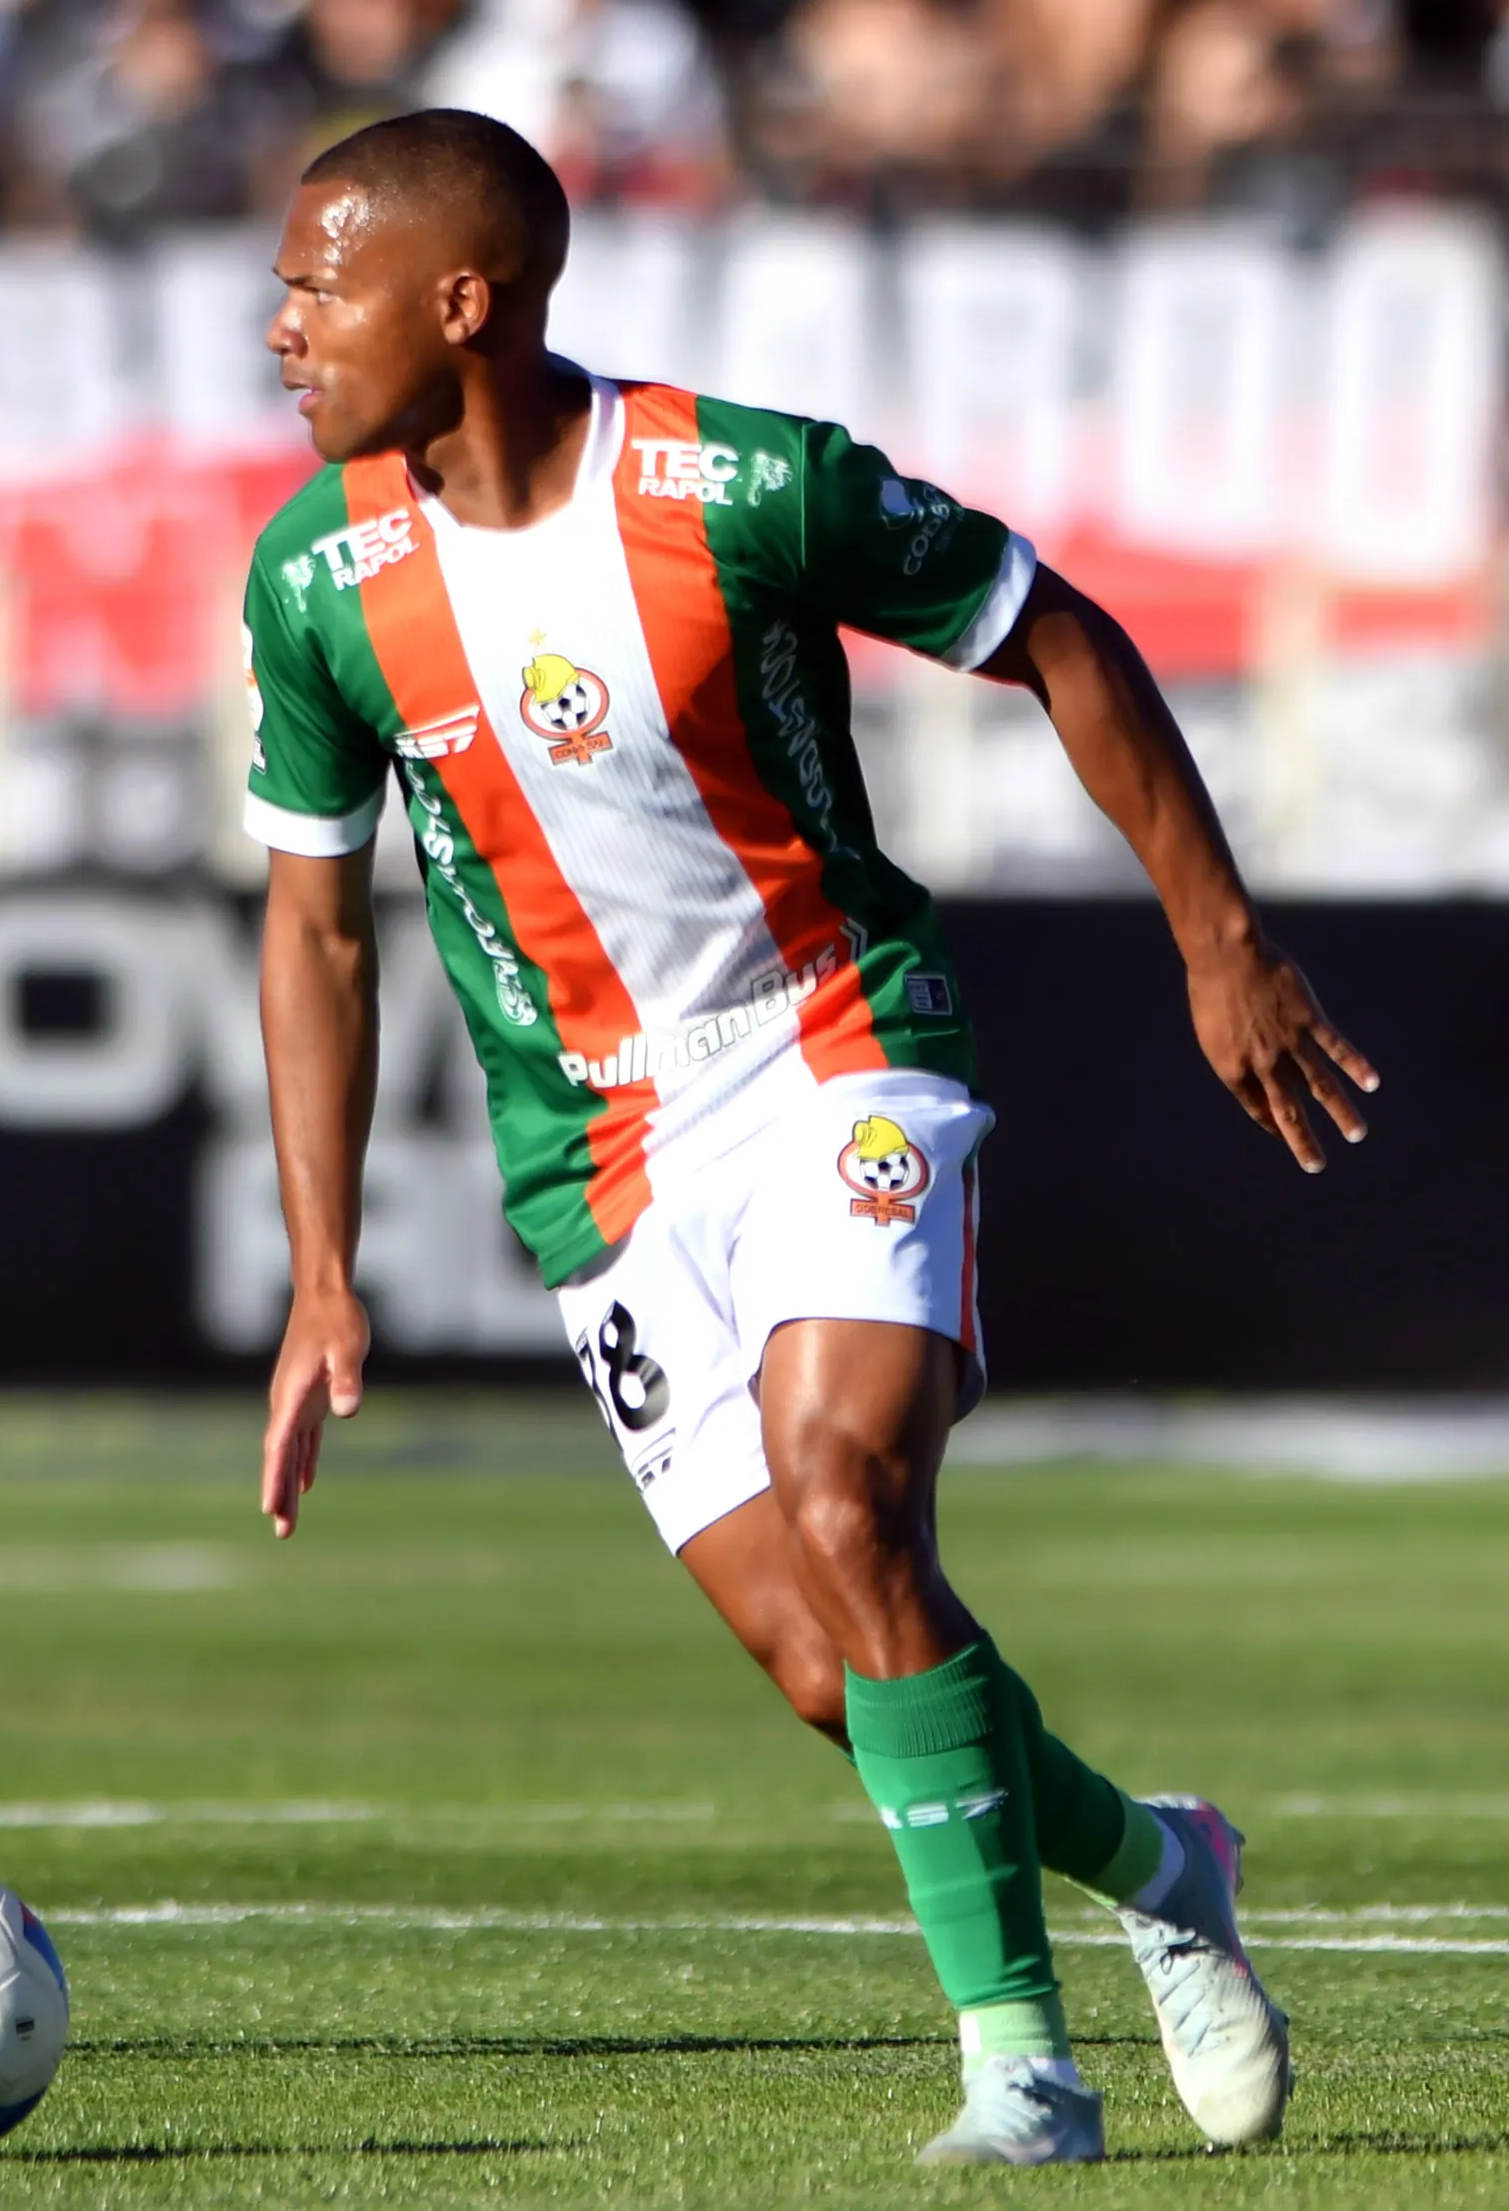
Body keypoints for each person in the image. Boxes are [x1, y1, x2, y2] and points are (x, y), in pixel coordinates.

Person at [239, 108, 1374, 2167]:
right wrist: (322, 1272)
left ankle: (1020, 2069)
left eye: (318, 287)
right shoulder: (316, 579)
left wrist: (1218, 938)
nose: (282, 329)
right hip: (595, 1153)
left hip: (837, 1041)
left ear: (462, 302)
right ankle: (1161, 1861)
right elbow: (315, 928)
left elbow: (1055, 631)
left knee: (848, 1503)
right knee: (830, 1671)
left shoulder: (744, 487)